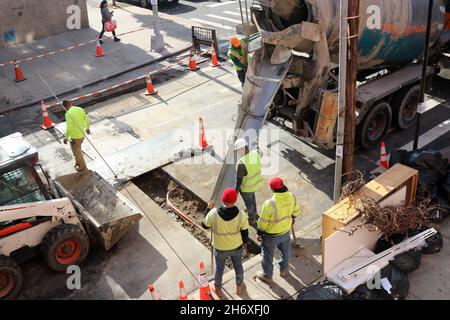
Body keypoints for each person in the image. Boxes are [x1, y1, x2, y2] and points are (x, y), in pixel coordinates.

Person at [202, 188, 249, 299]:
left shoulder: (213, 213)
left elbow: (205, 225)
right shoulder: (242, 215)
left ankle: (217, 289)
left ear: (222, 199)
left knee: (219, 269)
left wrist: (208, 209)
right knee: (238, 266)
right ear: (235, 200)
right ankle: (239, 287)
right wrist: (245, 245)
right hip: (236, 247)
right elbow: (245, 233)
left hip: (220, 248)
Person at [255, 177, 301, 284]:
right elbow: (296, 212)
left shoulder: (269, 203)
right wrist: (292, 218)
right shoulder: (292, 196)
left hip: (271, 236)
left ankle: (267, 276)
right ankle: (284, 271)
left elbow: (262, 222)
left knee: (267, 256)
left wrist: (259, 233)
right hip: (285, 232)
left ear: (272, 189)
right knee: (285, 252)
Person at [234, 138, 264, 225]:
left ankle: (252, 218)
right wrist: (257, 144)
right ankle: (252, 210)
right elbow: (259, 151)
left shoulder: (241, 163)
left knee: (249, 202)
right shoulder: (255, 153)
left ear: (242, 149)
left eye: (238, 150)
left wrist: (236, 191)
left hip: (246, 187)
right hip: (255, 183)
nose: (238, 152)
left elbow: (239, 180)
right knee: (252, 198)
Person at [63, 100, 91, 172]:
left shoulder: (68, 114)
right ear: (70, 103)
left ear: (65, 106)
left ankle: (82, 167)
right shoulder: (80, 109)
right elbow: (87, 119)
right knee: (75, 150)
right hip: (82, 135)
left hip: (75, 137)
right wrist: (87, 128)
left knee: (77, 152)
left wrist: (66, 138)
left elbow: (70, 127)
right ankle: (77, 162)